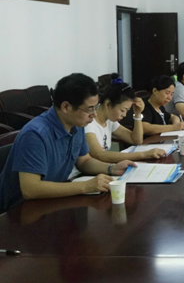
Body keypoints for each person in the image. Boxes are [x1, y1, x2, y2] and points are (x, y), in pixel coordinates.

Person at [0, 73, 136, 214]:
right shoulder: (35, 135)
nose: (94, 114)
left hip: (53, 202)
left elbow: (84, 161)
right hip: (19, 212)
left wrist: (112, 168)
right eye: (89, 109)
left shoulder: (77, 124)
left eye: (95, 107)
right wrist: (86, 186)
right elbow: (31, 189)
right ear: (66, 107)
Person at [80, 75, 167, 169]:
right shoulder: (88, 123)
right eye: (122, 110)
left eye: (127, 111)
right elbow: (100, 155)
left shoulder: (109, 121)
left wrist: (137, 114)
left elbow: (136, 140)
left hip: (104, 168)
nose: (124, 115)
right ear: (108, 105)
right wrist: (143, 155)